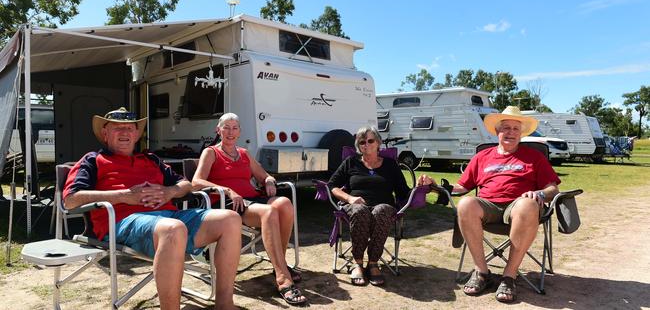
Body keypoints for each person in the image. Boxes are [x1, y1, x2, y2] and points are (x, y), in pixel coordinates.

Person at [63, 107, 241, 310]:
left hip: (170, 217)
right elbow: (70, 200)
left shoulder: (151, 159)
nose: (124, 133)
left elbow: (186, 185)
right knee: (173, 229)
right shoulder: (93, 160)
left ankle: (225, 304)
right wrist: (123, 196)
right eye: (116, 128)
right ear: (105, 133)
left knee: (230, 219)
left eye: (130, 128)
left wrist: (169, 192)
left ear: (137, 134)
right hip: (123, 223)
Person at [426, 106, 560, 303]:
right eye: (506, 128)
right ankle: (482, 272)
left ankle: (509, 276)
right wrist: (437, 187)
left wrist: (539, 193)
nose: (510, 133)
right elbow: (462, 187)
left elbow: (553, 189)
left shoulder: (534, 157)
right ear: (497, 131)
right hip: (488, 206)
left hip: (519, 209)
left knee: (527, 204)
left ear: (521, 133)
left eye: (516, 129)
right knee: (466, 204)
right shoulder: (482, 157)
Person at [191, 113, 307, 306]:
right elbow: (196, 182)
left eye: (234, 127)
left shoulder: (244, 153)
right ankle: (282, 279)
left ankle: (280, 264)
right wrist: (228, 190)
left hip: (251, 199)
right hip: (229, 204)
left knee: (284, 204)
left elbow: (264, 175)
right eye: (226, 127)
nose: (230, 132)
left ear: (239, 131)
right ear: (218, 130)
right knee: (269, 212)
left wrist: (269, 180)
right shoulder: (211, 152)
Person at [328, 126, 432, 287]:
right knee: (360, 210)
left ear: (378, 143)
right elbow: (332, 186)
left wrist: (419, 186)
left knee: (382, 210)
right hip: (355, 206)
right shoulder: (351, 162)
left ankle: (373, 263)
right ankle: (357, 263)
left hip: (383, 206)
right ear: (358, 145)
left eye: (370, 140)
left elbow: (403, 192)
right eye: (362, 142)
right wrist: (349, 198)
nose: (366, 145)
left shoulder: (390, 165)